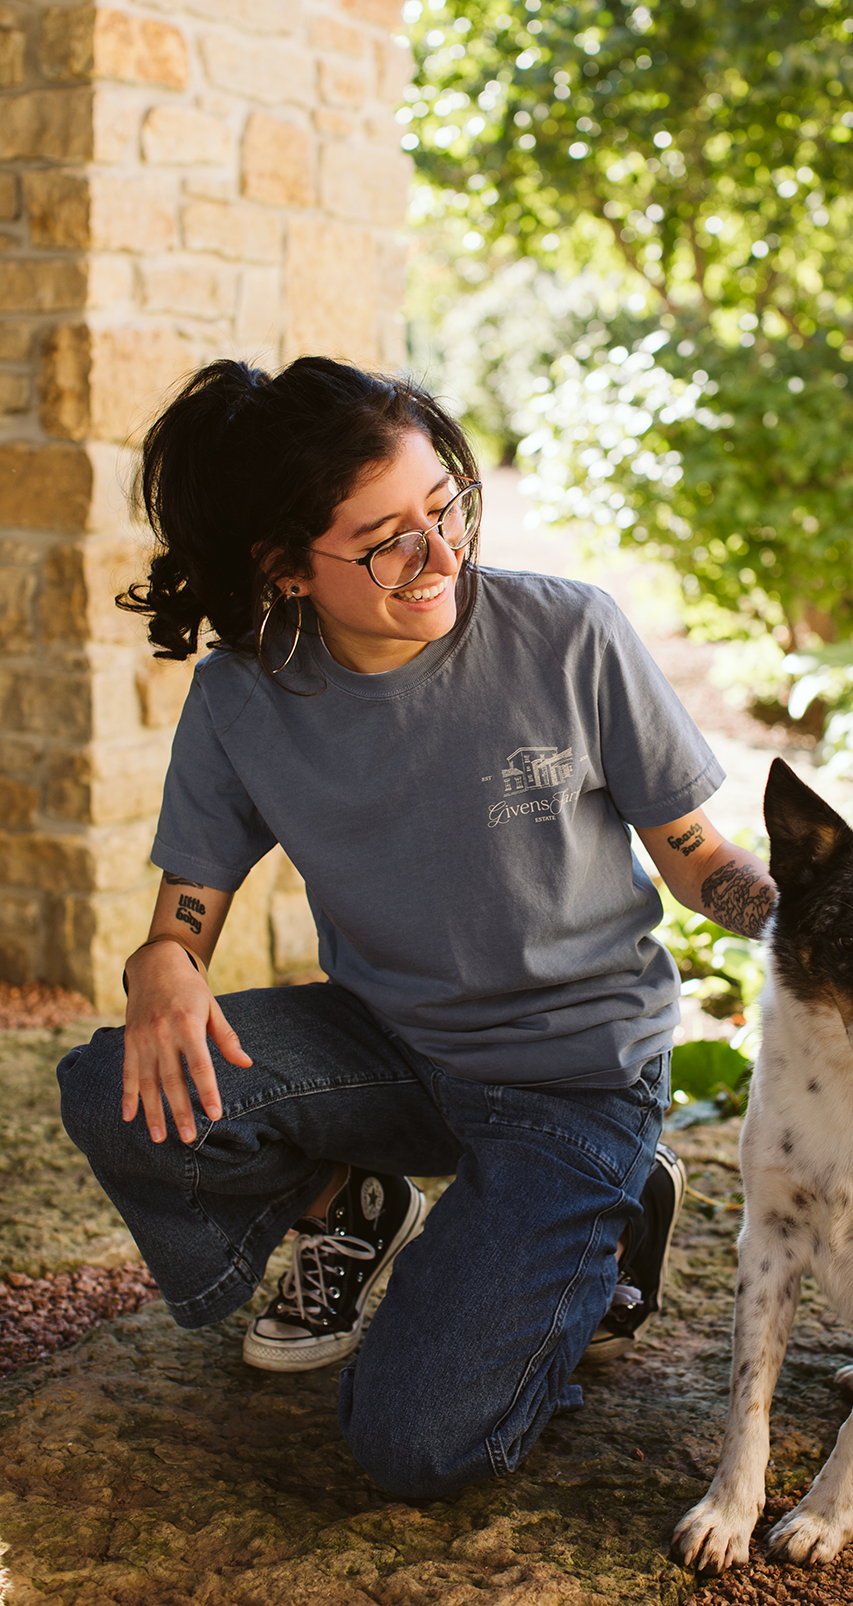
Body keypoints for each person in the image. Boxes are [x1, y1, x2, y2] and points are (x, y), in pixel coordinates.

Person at [58, 356, 778, 1499]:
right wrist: (161, 963)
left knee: (413, 1444)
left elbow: (696, 856)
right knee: (115, 1089)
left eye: (444, 507)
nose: (441, 558)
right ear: (284, 568)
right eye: (385, 538)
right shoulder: (245, 697)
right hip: (385, 1054)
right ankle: (353, 1208)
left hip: (575, 1078)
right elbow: (185, 916)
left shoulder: (570, 635)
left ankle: (604, 1215)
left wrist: (815, 922)